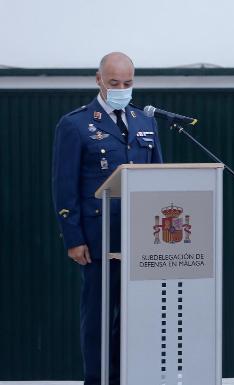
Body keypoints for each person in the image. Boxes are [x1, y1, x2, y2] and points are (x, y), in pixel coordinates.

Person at [52, 52, 163, 385]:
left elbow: (157, 175)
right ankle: (97, 379)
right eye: (114, 83)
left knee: (135, 316)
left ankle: (128, 376)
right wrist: (73, 238)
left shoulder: (146, 121)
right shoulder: (75, 124)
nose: (121, 89)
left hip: (141, 238)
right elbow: (64, 185)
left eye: (128, 83)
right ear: (98, 79)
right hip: (99, 238)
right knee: (99, 317)